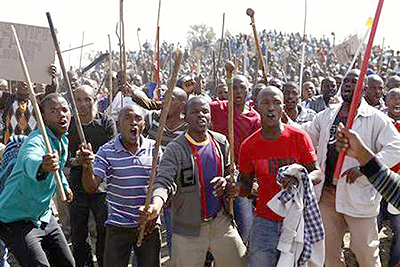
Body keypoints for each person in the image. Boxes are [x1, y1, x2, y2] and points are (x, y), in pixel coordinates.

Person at [300, 69, 400, 266]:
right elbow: (306, 135)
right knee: (327, 253)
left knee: (365, 252)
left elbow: (396, 147)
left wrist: (366, 169)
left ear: (362, 88)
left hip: (359, 194)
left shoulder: (375, 118)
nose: (348, 85)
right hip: (327, 195)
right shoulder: (326, 115)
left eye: (355, 82)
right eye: (346, 81)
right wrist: (284, 122)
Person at [140, 96, 247, 267]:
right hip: (187, 230)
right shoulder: (175, 149)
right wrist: (155, 206)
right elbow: (163, 181)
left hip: (221, 223)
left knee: (241, 262)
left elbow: (231, 172)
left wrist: (227, 182)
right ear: (185, 117)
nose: (201, 115)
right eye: (195, 112)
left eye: (205, 111)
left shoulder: (220, 142)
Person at [236, 86, 320, 266]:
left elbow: (317, 173)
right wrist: (235, 189)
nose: (271, 108)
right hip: (264, 221)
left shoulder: (299, 137)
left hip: (296, 220)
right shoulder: (248, 146)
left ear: (283, 108)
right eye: (265, 103)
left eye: (276, 103)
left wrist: (301, 179)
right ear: (256, 107)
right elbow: (245, 185)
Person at [80, 105, 162, 267]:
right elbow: (91, 187)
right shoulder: (106, 151)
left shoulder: (155, 149)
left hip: (149, 225)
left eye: (138, 119)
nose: (133, 122)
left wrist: (155, 209)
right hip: (118, 226)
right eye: (128, 118)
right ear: (118, 125)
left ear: (143, 125)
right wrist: (87, 167)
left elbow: (163, 184)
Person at [0, 93, 75, 267]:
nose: (61, 114)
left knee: (67, 263)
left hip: (43, 215)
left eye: (64, 110)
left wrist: (64, 186)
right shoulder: (36, 140)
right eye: (54, 111)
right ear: (43, 117)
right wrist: (42, 165)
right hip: (15, 218)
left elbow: (59, 167)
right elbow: (29, 160)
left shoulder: (62, 139)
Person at [68, 85, 117, 267]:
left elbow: (113, 152)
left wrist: (93, 159)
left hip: (101, 186)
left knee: (104, 230)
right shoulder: (70, 124)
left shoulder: (106, 122)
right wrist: (77, 161)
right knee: (78, 234)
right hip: (76, 187)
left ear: (95, 100)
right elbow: (64, 158)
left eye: (87, 99)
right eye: (78, 100)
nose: (83, 104)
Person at [210, 74, 261, 244]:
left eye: (242, 88)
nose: (238, 92)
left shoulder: (255, 118)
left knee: (244, 226)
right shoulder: (217, 108)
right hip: (215, 171)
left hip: (240, 176)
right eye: (234, 88)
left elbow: (256, 151)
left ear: (249, 90)